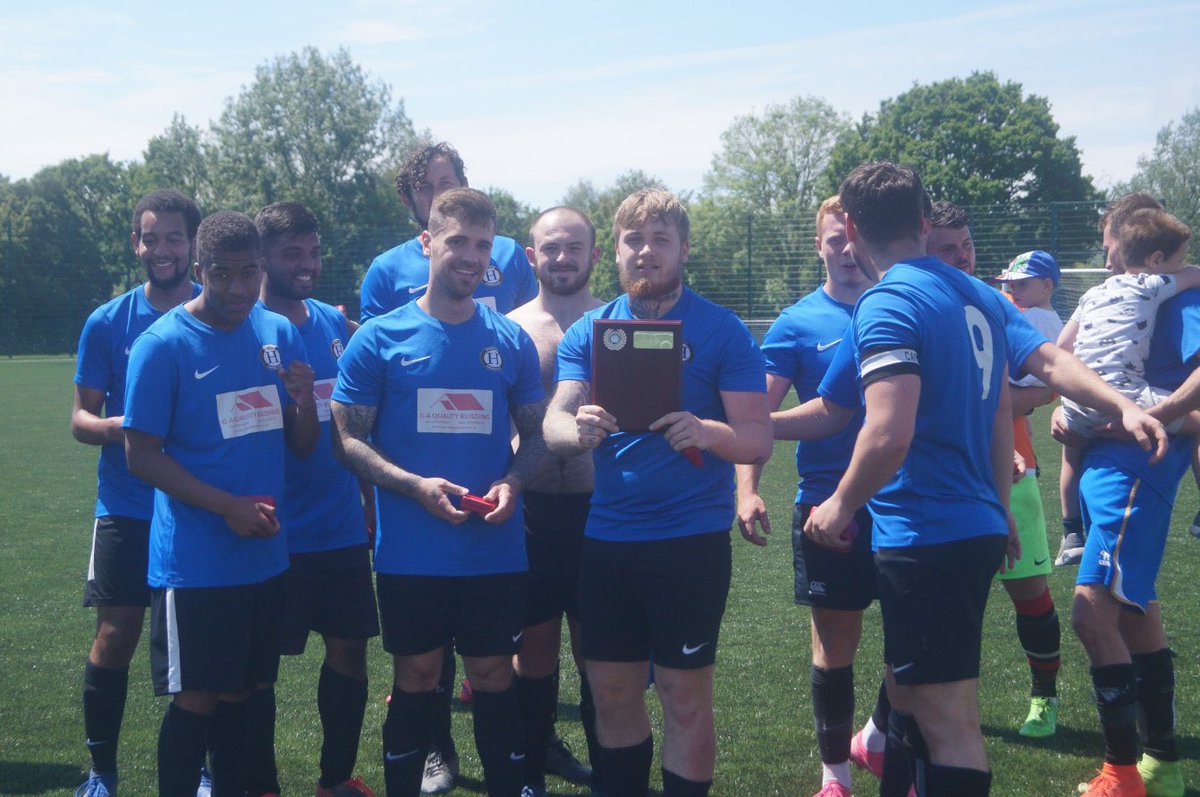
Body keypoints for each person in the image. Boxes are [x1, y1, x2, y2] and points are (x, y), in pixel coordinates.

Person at [544, 188, 772, 797]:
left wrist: (708, 432)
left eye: (660, 240)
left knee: (684, 696)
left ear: (684, 249)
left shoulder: (722, 331)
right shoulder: (591, 331)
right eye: (634, 240)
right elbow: (554, 421)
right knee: (611, 692)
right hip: (608, 540)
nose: (646, 252)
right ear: (615, 251)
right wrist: (575, 429)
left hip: (688, 544)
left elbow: (757, 438)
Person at [331, 188, 548, 797]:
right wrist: (412, 485)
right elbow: (345, 439)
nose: (471, 257)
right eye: (458, 242)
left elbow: (536, 436)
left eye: (483, 245)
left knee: (493, 674)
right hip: (411, 551)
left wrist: (512, 481)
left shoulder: (509, 339)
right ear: (428, 243)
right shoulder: (379, 337)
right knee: (417, 675)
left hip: (493, 550)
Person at [122, 210, 319, 796]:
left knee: (247, 693)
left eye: (248, 273)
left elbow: (301, 446)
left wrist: (303, 402)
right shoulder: (162, 346)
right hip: (197, 563)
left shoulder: (277, 333)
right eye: (222, 274)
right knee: (198, 698)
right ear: (200, 269)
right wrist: (226, 506)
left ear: (261, 269)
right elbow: (141, 456)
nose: (237, 288)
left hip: (264, 556)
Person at [735, 195, 893, 797]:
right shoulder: (796, 323)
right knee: (835, 641)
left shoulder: (904, 305)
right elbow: (755, 416)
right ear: (818, 246)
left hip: (906, 499)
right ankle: (835, 777)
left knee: (913, 639)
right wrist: (748, 489)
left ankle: (878, 736)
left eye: (853, 239)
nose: (846, 251)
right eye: (834, 240)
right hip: (828, 504)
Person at [1060, 213, 1200, 797]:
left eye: (1109, 242)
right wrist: (1070, 409)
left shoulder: (1180, 300)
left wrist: (1140, 416)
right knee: (1136, 613)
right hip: (1108, 462)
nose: (1105, 254)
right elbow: (1062, 356)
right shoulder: (1126, 292)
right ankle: (1162, 766)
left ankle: (1120, 774)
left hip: (1135, 468)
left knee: (1091, 614)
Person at [71, 189, 201, 796]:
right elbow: (81, 420)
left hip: (197, 507)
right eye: (152, 238)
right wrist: (132, 426)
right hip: (126, 506)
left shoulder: (220, 314)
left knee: (198, 645)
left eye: (174, 237)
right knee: (117, 634)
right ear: (136, 244)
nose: (162, 249)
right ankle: (102, 770)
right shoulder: (108, 321)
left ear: (192, 243)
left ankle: (202, 768)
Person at [248, 202, 379, 797]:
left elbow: (354, 423)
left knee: (350, 651)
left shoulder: (334, 324)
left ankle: (334, 780)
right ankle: (262, 784)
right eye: (291, 253)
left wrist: (367, 498)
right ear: (263, 258)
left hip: (339, 526)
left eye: (313, 252)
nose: (307, 264)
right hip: (270, 532)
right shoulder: (245, 328)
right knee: (257, 668)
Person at [506, 206, 606, 796]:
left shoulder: (617, 327)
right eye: (551, 248)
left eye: (574, 247)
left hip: (602, 510)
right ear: (531, 256)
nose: (562, 258)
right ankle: (532, 767)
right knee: (535, 646)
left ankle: (609, 772)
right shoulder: (510, 329)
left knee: (600, 651)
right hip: (533, 511)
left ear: (595, 254)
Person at [1056, 193, 1166, 565]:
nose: (1105, 263)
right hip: (1113, 449)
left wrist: (1148, 416)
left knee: (1099, 596)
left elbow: (1061, 350)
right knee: (1113, 592)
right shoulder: (1155, 289)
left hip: (1131, 467)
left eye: (1109, 250)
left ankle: (1070, 529)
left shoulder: (1173, 300)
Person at [991, 250, 1067, 739]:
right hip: (944, 474)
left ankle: (1045, 697)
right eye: (947, 249)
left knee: (1030, 591)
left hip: (1017, 469)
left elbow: (1046, 386)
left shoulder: (1012, 314)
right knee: (941, 598)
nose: (960, 257)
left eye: (965, 246)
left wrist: (1009, 399)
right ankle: (920, 708)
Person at [359, 142, 538, 321]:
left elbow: (534, 326)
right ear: (407, 199)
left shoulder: (510, 254)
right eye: (424, 187)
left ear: (464, 185)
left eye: (445, 183)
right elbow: (373, 336)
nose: (438, 195)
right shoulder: (386, 271)